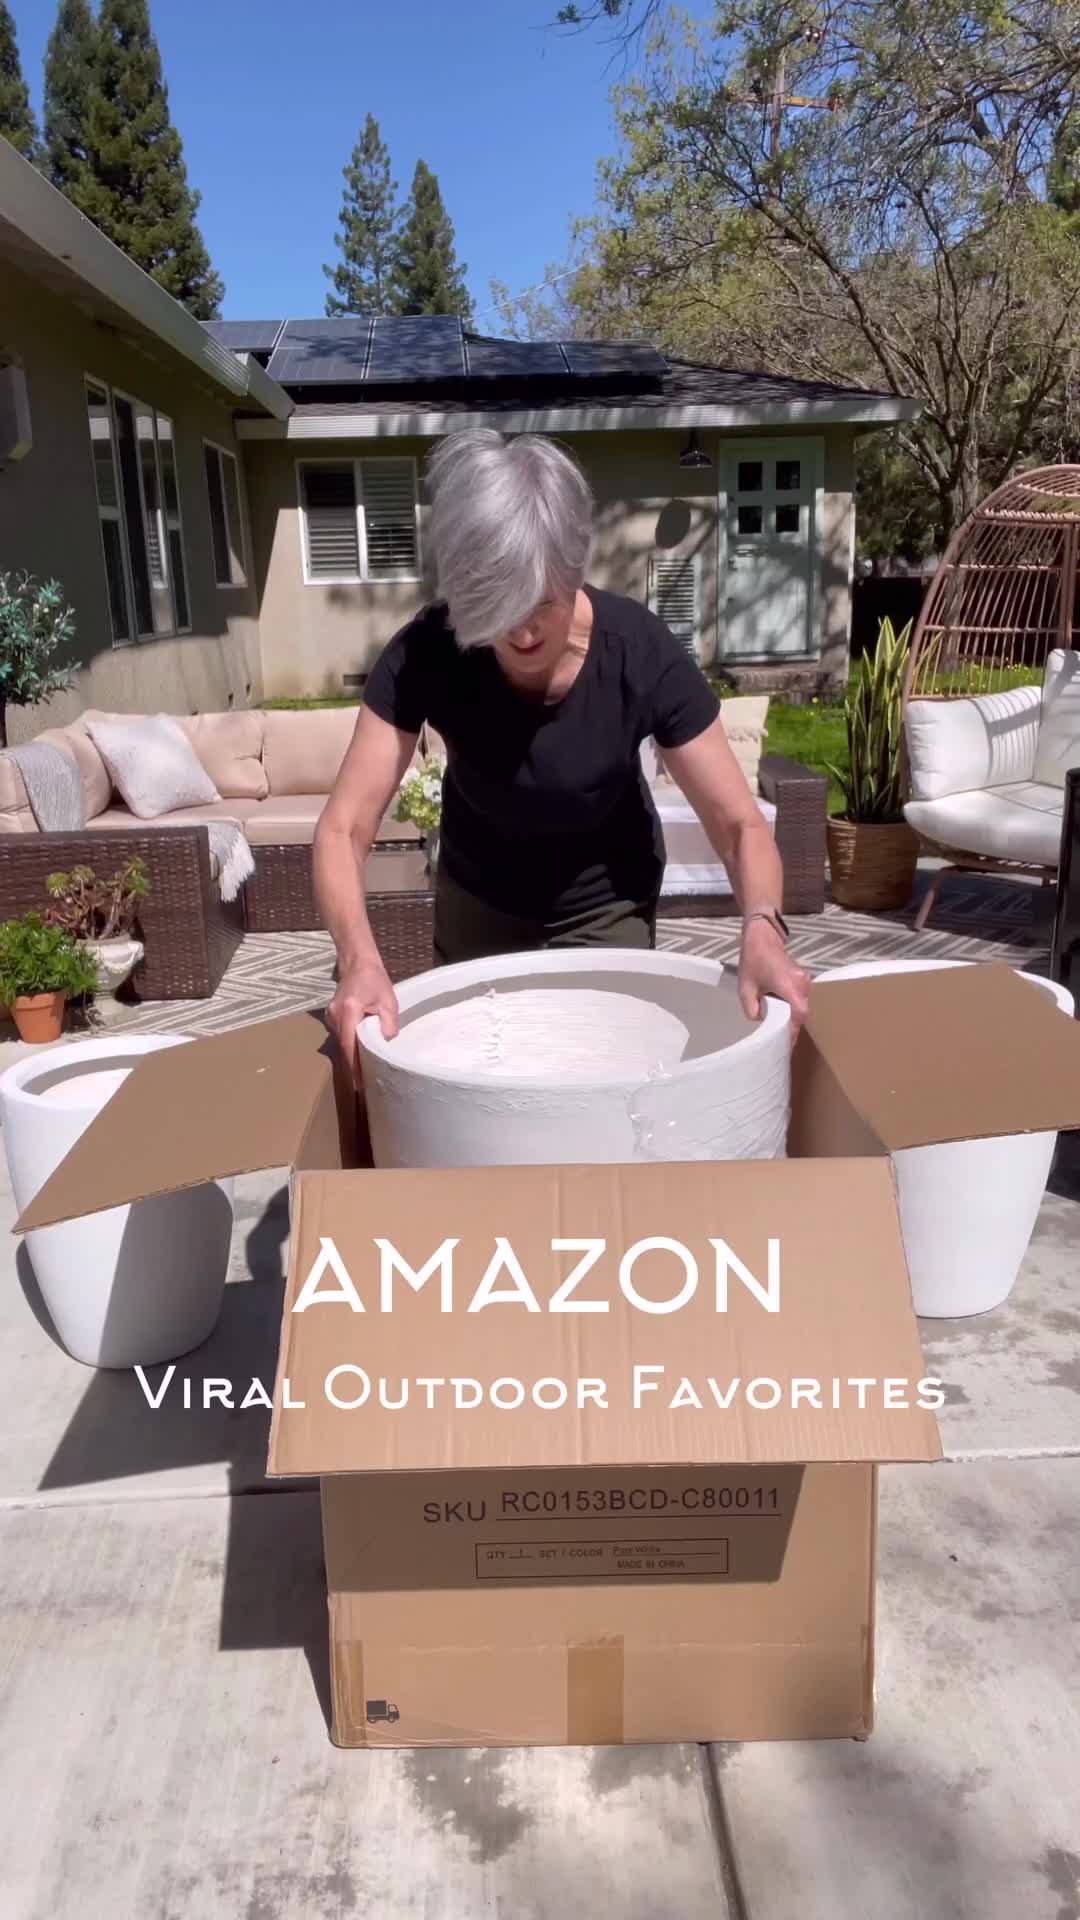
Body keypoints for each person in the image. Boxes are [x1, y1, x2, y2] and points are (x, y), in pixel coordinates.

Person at [315, 429, 810, 1060]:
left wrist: (763, 927)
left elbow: (739, 824)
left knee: (599, 1067)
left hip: (605, 905)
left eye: (539, 602)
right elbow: (342, 830)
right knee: (484, 1073)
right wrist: (358, 959)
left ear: (574, 570)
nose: (520, 629)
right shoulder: (428, 651)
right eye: (494, 606)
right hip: (478, 899)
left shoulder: (639, 652)